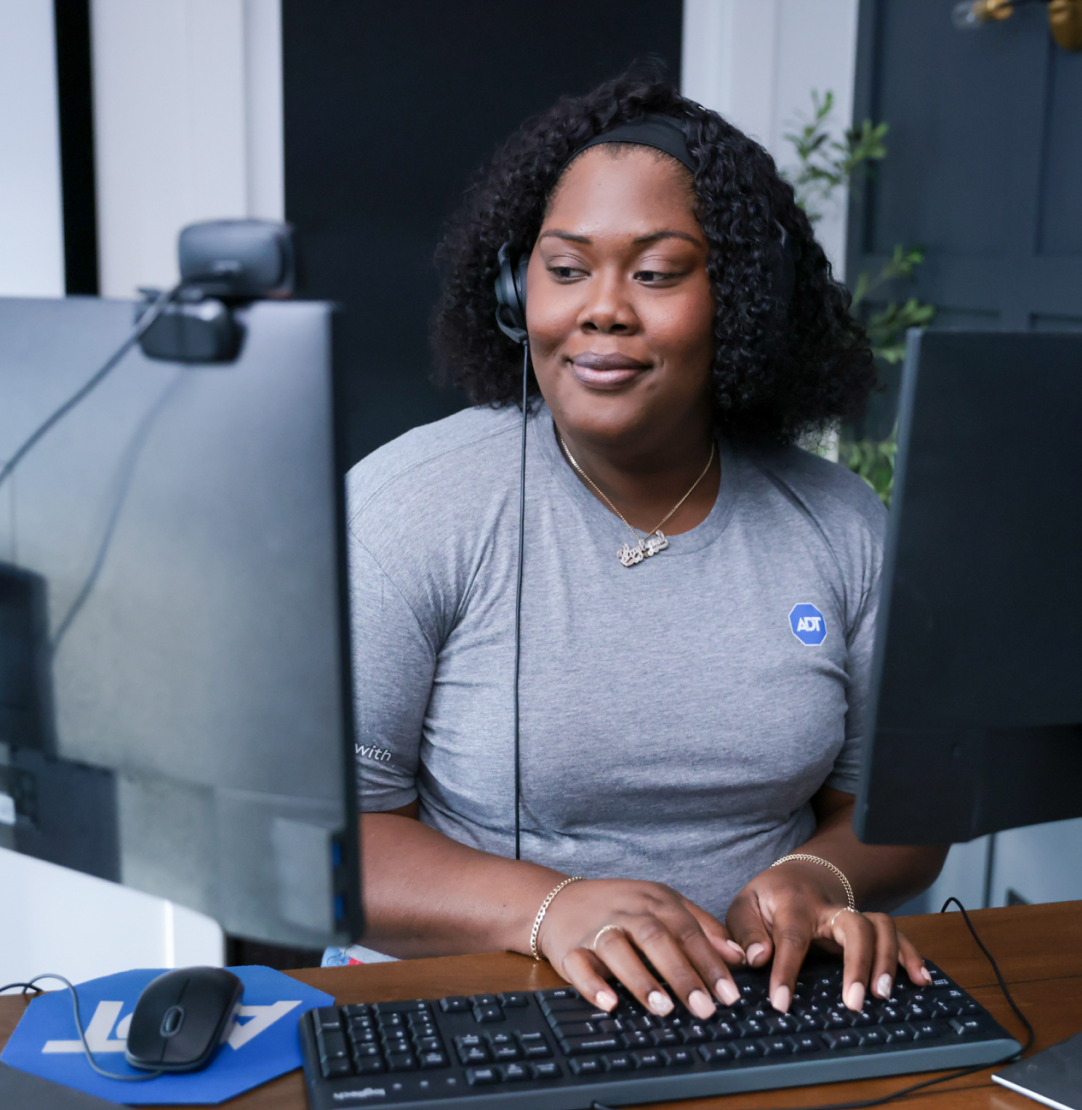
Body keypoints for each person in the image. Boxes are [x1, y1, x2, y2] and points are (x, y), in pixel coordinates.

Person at [337, 66, 948, 1024]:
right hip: (481, 1005)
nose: (603, 309)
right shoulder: (412, 509)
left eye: (657, 272)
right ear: (514, 290)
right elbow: (323, 837)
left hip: (758, 1005)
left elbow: (901, 817)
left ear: (743, 298)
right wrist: (547, 910)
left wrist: (816, 877)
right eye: (566, 268)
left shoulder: (838, 525)